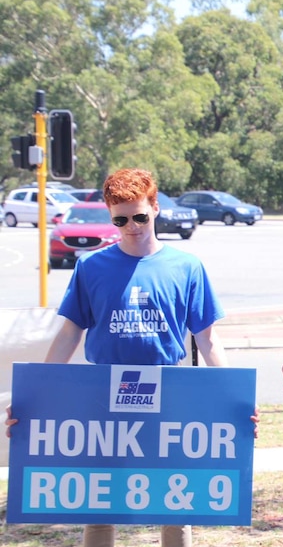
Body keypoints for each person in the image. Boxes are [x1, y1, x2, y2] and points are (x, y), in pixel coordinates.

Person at [5, 168, 250, 547]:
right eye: (120, 219)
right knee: (99, 504)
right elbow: (70, 333)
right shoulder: (91, 267)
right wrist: (35, 394)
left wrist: (235, 399)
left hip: (170, 399)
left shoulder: (187, 267)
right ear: (109, 215)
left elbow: (208, 339)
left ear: (155, 208)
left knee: (175, 504)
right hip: (101, 401)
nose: (131, 226)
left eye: (139, 216)